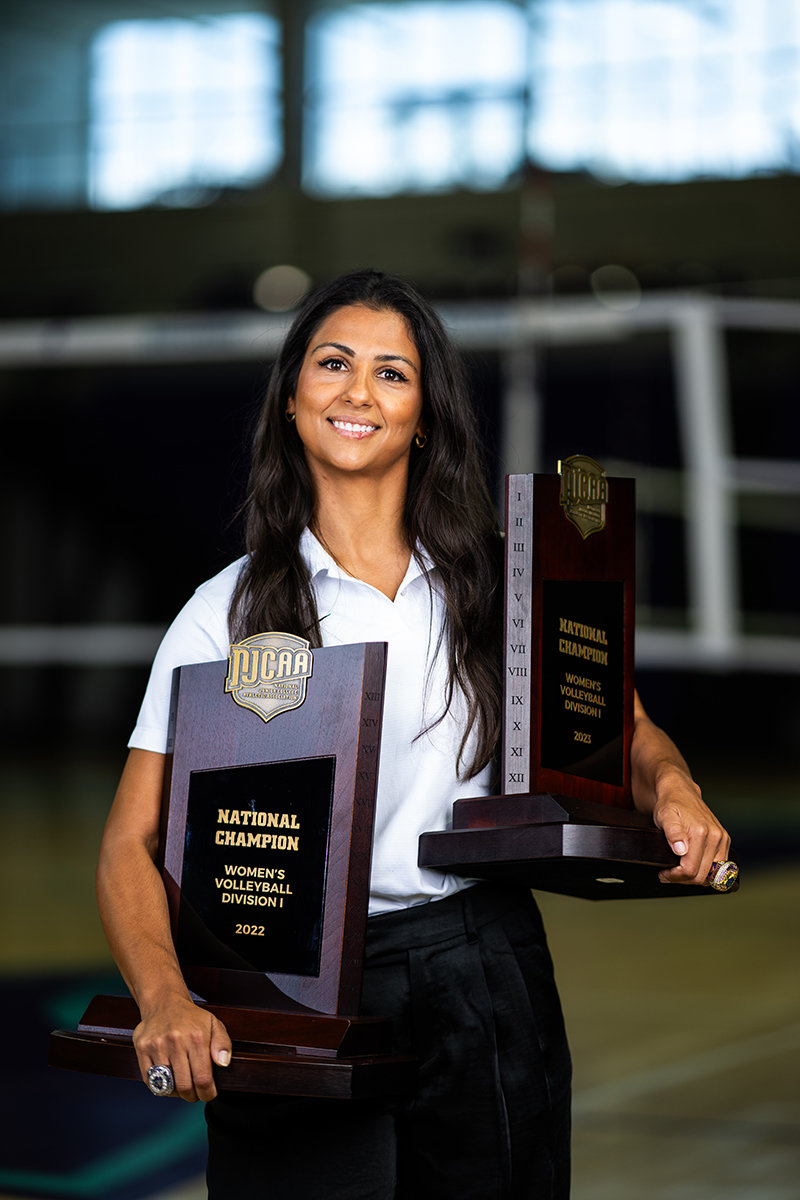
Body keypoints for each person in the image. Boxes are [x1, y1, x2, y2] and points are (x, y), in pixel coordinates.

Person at [97, 268, 732, 1200]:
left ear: (425, 415)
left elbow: (626, 730)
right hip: (291, 986)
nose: (358, 392)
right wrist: (164, 998)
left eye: (392, 373)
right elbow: (129, 842)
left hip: (480, 964)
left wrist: (674, 787)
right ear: (289, 398)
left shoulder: (503, 582)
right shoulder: (223, 612)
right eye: (333, 363)